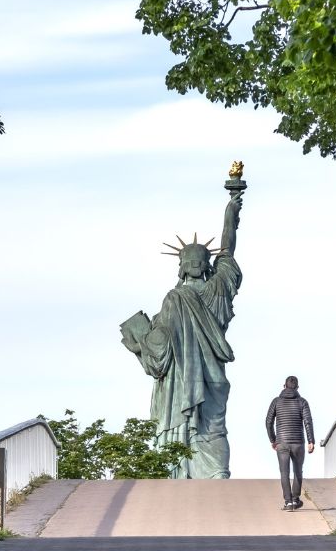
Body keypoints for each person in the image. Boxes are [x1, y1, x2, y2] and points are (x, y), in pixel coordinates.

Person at [120, 176, 244, 478]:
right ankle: (217, 473)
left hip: (181, 385)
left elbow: (159, 350)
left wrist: (139, 339)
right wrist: (232, 211)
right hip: (213, 378)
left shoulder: (174, 300)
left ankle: (181, 470)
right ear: (207, 264)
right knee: (214, 424)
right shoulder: (219, 289)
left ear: (182, 266)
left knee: (193, 422)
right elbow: (227, 251)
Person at [266, 375, 315, 510]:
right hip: (298, 442)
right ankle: (295, 499)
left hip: (281, 442)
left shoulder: (276, 402)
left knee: (284, 473)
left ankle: (288, 502)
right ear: (297, 387)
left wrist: (273, 439)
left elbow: (268, 422)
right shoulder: (302, 402)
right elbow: (308, 422)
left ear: (284, 386)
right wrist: (311, 441)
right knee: (298, 471)